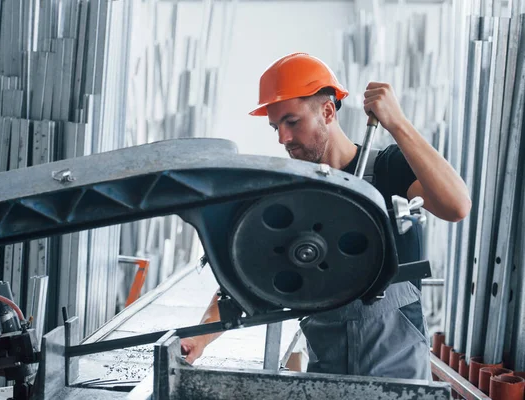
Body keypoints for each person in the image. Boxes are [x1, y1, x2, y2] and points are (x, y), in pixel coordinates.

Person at [180, 52, 471, 380]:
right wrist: (198, 338)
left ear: (328, 111)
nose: (283, 139)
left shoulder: (389, 169)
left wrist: (398, 123)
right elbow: (245, 277)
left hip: (399, 377)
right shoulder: (293, 198)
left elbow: (456, 206)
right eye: (276, 127)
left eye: (292, 122)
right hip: (327, 377)